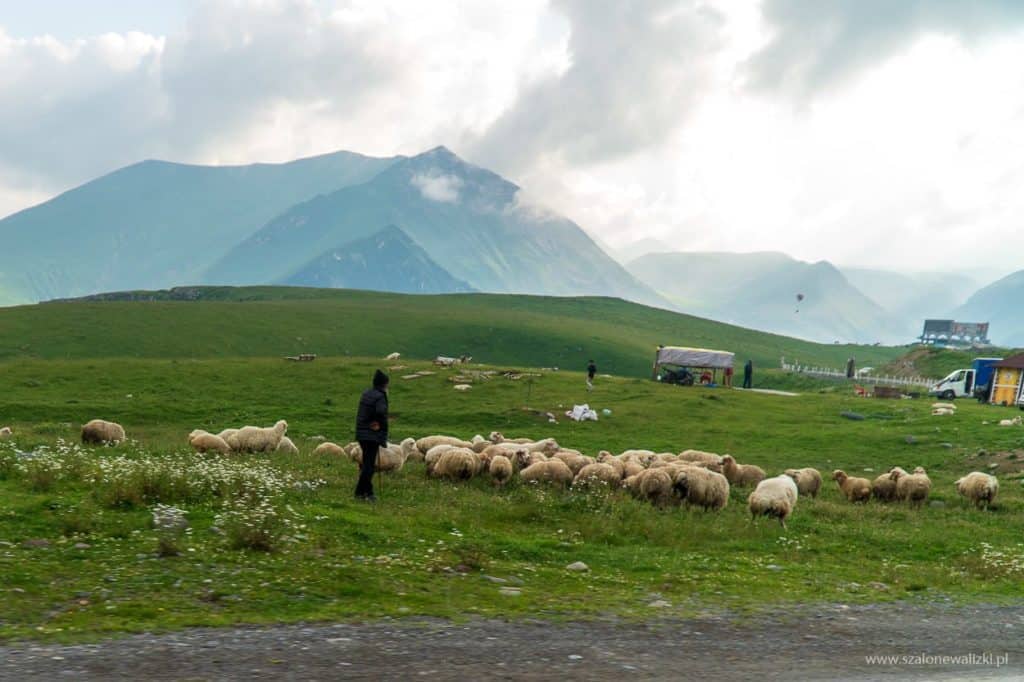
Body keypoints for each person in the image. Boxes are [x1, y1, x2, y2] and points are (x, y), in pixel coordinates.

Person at [354, 369, 389, 502]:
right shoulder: (380, 396)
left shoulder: (366, 393)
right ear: (384, 384)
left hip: (362, 433)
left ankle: (366, 492)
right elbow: (380, 412)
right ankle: (361, 493)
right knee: (369, 466)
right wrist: (378, 424)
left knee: (367, 463)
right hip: (371, 434)